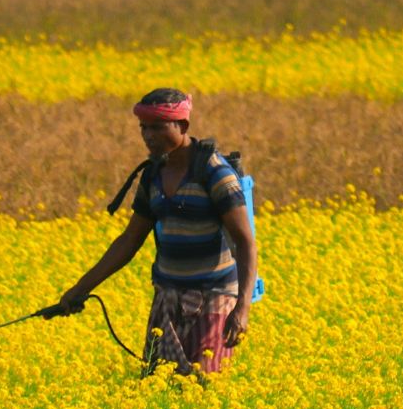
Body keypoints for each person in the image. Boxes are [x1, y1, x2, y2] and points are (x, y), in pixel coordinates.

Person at [53, 89, 258, 376]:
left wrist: (242, 308)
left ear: (182, 126)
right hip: (167, 298)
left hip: (215, 298)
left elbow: (245, 243)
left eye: (157, 128)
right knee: (159, 384)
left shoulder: (215, 174)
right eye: (144, 128)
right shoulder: (153, 176)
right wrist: (80, 289)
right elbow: (129, 241)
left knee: (202, 385)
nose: (148, 136)